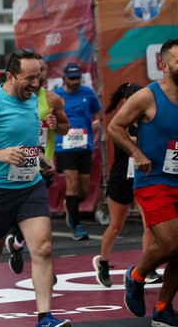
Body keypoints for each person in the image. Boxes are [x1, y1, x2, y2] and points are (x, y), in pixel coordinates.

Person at [0, 49, 71, 327]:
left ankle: (45, 317)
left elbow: (27, 139)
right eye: (29, 78)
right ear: (9, 76)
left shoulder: (35, 100)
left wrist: (38, 157)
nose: (35, 83)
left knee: (42, 247)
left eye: (38, 76)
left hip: (30, 186)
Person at [108, 39, 178, 325]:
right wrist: (136, 152)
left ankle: (162, 309)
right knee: (172, 243)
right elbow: (115, 127)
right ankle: (135, 276)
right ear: (164, 65)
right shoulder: (147, 96)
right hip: (154, 180)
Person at [5, 53, 70, 275]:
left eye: (41, 70)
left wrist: (55, 125)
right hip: (21, 160)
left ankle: (18, 244)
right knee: (24, 211)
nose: (38, 75)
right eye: (33, 71)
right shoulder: (12, 98)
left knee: (37, 213)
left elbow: (65, 128)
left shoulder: (51, 99)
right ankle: (23, 247)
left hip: (44, 164)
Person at [92, 83, 161, 287]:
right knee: (115, 226)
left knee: (149, 224)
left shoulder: (147, 120)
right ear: (126, 101)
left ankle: (148, 268)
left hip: (143, 178)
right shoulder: (122, 122)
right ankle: (103, 263)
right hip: (122, 180)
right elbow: (129, 139)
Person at [54, 62, 101, 240]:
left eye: (77, 78)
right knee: (72, 186)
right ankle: (77, 226)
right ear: (64, 78)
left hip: (84, 145)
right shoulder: (56, 96)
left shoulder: (87, 92)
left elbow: (96, 113)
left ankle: (70, 205)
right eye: (71, 78)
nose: (75, 82)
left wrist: (97, 123)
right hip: (64, 146)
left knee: (84, 188)